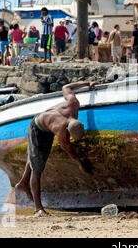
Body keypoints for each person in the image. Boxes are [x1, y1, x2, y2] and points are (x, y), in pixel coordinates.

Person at [15, 80, 98, 217]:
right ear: (67, 131)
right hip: (37, 128)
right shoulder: (61, 132)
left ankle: (23, 183)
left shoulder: (73, 102)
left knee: (37, 157)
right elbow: (69, 150)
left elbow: (66, 86)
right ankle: (38, 209)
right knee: (38, 168)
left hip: (47, 124)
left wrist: (87, 83)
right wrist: (80, 163)